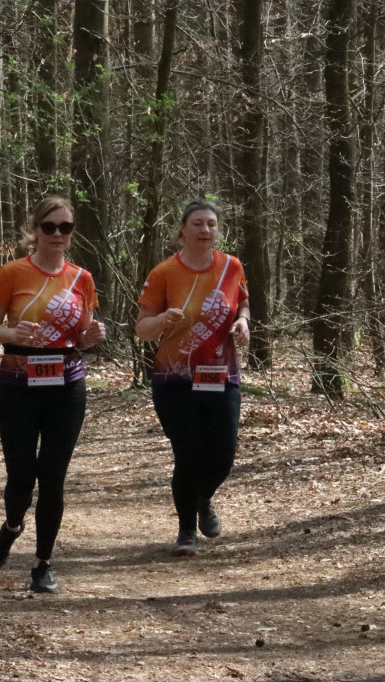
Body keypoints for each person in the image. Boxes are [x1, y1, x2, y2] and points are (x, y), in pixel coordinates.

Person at [0, 196, 106, 593]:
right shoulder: (13, 272)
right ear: (34, 230)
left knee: (53, 477)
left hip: (66, 384)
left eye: (65, 228)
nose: (56, 235)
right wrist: (13, 334)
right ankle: (12, 526)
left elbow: (83, 335)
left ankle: (42, 564)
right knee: (21, 475)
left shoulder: (81, 278)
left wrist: (93, 337)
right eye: (49, 227)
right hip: (18, 382)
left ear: (72, 234)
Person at [135, 199, 250, 557]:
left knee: (223, 456)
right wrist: (163, 320)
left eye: (212, 224)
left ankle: (202, 498)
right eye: (198, 224)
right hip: (175, 379)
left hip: (222, 376)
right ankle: (186, 530)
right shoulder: (164, 272)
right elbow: (142, 329)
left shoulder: (231, 267)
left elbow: (243, 303)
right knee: (188, 454)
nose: (205, 231)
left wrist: (243, 321)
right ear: (183, 229)